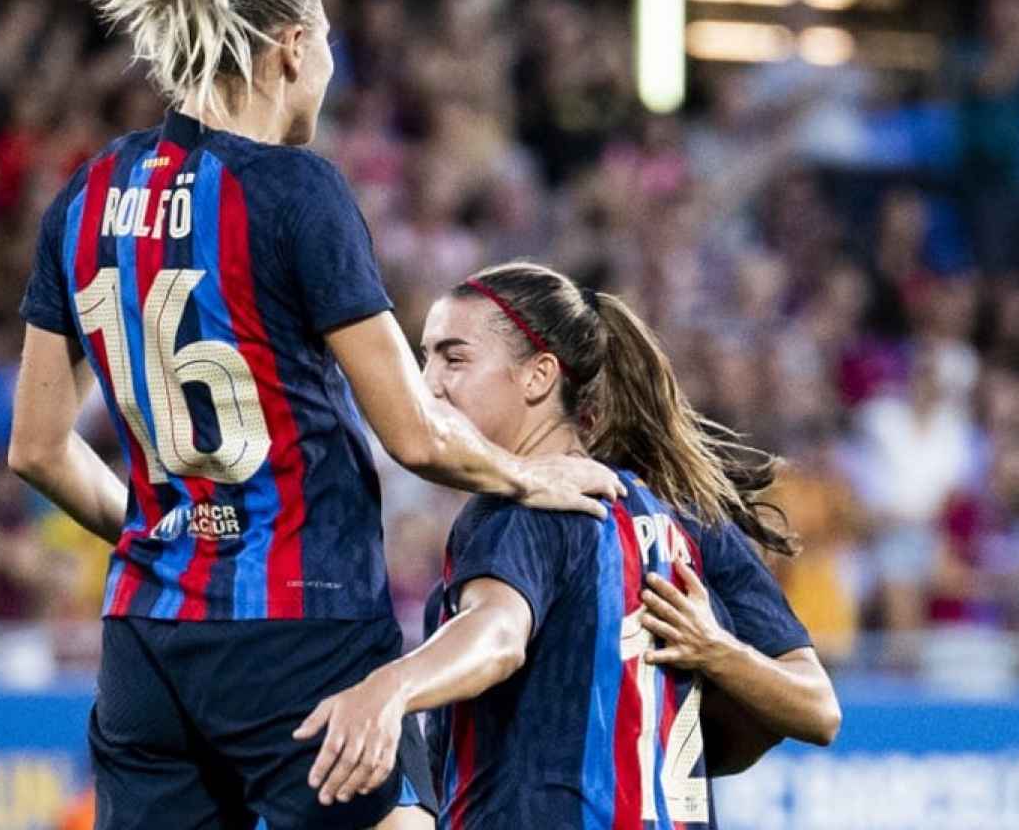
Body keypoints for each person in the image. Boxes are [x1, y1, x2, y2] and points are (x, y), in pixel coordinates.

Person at [0, 0, 621, 830]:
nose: (328, 70)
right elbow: (413, 432)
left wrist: (179, 538)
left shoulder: (85, 194)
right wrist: (530, 476)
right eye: (327, 45)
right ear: (292, 46)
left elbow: (38, 450)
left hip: (145, 646)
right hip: (297, 622)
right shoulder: (296, 190)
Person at [298, 263, 841, 827]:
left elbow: (499, 636)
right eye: (426, 356)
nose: (428, 382)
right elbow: (809, 712)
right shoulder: (687, 517)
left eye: (454, 358)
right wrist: (721, 658)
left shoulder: (531, 506)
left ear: (538, 377)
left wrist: (390, 687)